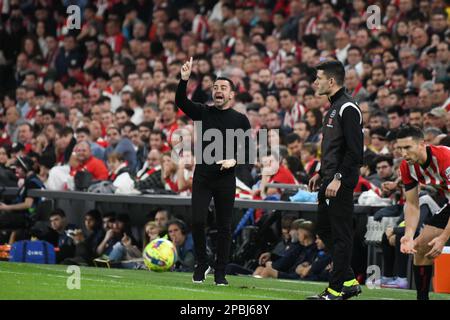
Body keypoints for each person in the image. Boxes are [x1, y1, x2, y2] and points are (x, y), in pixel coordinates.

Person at [176, 57, 251, 286]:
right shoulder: (203, 112)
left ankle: (221, 271)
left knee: (224, 227)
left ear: (231, 95)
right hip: (203, 176)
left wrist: (234, 160)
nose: (218, 90)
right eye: (216, 87)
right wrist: (184, 79)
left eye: (223, 88)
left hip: (226, 179)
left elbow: (249, 151)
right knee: (197, 221)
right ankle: (202, 262)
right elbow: (180, 101)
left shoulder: (240, 119)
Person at [308, 60, 363, 300]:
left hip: (339, 182)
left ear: (331, 81)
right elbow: (334, 148)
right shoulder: (334, 107)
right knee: (323, 228)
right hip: (328, 179)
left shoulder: (347, 108)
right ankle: (349, 281)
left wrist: (338, 178)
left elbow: (355, 152)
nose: (314, 83)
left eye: (318, 78)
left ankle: (335, 289)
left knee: (341, 235)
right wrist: (320, 173)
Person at [397, 126, 450, 300]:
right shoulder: (407, 166)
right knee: (420, 246)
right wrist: (409, 235)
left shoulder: (445, 159)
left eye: (407, 148)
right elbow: (412, 204)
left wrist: (443, 239)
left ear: (422, 144)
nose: (403, 153)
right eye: (400, 148)